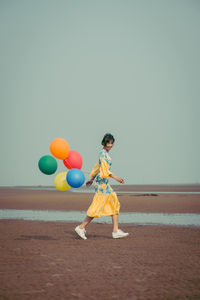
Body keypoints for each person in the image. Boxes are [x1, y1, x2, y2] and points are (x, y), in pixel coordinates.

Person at [75, 133, 129, 240]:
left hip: (104, 183)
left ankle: (115, 231)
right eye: (108, 143)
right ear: (104, 143)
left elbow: (97, 168)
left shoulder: (105, 154)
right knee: (97, 206)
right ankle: (81, 227)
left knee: (114, 203)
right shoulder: (103, 154)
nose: (110, 145)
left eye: (112, 143)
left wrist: (91, 179)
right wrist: (116, 178)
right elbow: (104, 170)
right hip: (101, 185)